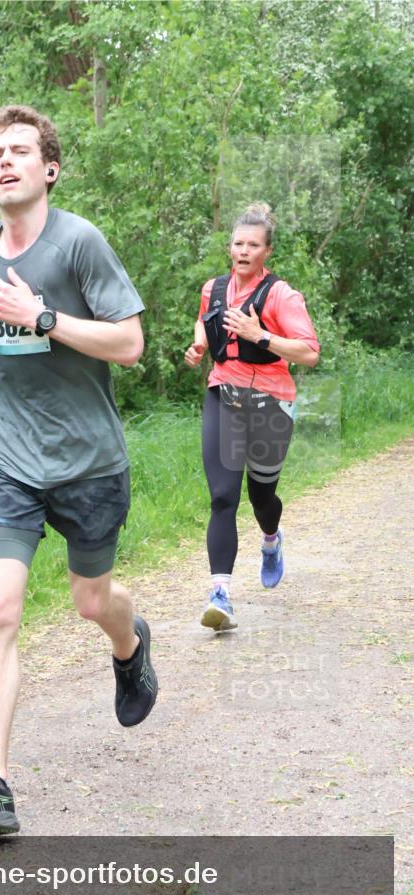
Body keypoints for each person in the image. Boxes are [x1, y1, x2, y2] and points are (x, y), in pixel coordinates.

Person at [0, 105, 157, 835]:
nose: (4, 161)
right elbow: (4, 320)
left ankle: (130, 644)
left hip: (89, 461)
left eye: (19, 151)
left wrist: (43, 318)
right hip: (11, 457)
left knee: (92, 603)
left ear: (50, 169)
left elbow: (129, 343)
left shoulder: (79, 242)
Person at [184, 203, 320, 631]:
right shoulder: (214, 288)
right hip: (223, 393)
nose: (244, 251)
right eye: (238, 243)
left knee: (262, 498)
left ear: (267, 252)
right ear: (230, 247)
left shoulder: (282, 296)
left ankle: (271, 539)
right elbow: (204, 320)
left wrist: (259, 334)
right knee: (223, 496)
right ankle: (220, 595)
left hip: (271, 401)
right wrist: (200, 345)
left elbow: (309, 353)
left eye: (253, 245)